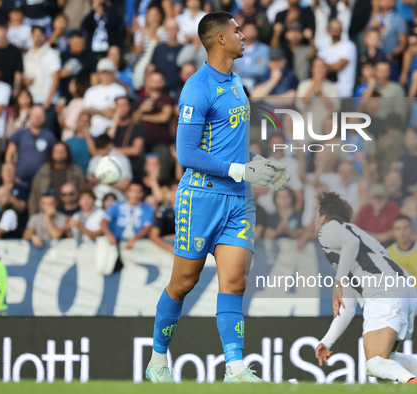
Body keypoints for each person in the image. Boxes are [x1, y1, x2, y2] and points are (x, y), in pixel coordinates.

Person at [146, 12, 290, 384]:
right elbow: (187, 154)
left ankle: (235, 367)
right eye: (237, 31)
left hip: (237, 200)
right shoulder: (196, 88)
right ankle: (158, 360)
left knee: (235, 281)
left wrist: (264, 166)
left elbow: (233, 147)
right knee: (183, 282)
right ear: (220, 40)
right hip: (201, 199)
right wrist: (241, 171)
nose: (244, 36)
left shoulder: (238, 82)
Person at [314, 192, 417, 384]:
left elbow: (351, 243)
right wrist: (327, 341)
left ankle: (413, 382)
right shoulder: (361, 237)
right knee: (386, 358)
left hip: (383, 294)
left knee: (374, 363)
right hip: (406, 292)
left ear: (323, 217)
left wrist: (337, 283)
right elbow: (347, 308)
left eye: (316, 215)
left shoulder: (328, 229)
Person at [387, 215, 417, 316]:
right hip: (396, 314)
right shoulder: (387, 253)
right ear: (393, 232)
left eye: (405, 228)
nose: (402, 232)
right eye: (398, 229)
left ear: (412, 229)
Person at [28, 141, 85, 215]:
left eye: (62, 151)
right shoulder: (43, 171)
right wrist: (33, 216)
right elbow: (34, 195)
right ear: (51, 153)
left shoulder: (76, 171)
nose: (59, 153)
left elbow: (83, 192)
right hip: (46, 214)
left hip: (71, 214)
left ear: (67, 153)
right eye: (56, 151)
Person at [83, 58, 128, 137]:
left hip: (113, 132)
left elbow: (113, 113)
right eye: (103, 73)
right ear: (98, 74)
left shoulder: (120, 90)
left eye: (108, 72)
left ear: (113, 73)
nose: (106, 75)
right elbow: (86, 112)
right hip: (93, 132)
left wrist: (94, 110)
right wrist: (104, 111)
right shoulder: (90, 91)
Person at [101, 182, 153, 248]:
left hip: (137, 243)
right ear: (127, 192)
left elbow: (147, 227)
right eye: (133, 191)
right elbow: (103, 222)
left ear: (142, 194)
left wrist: (135, 239)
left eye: (138, 192)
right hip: (116, 242)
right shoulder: (116, 205)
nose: (135, 195)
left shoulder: (147, 208)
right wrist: (109, 235)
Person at [133, 71, 174, 153]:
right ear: (148, 82)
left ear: (163, 82)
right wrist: (141, 110)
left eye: (159, 80)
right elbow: (134, 119)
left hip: (161, 143)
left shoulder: (167, 99)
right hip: (143, 142)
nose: (156, 82)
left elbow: (164, 118)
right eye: (153, 80)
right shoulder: (141, 100)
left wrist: (144, 117)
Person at [107, 96, 146, 182]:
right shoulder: (110, 128)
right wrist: (115, 123)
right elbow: (105, 144)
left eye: (124, 105)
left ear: (129, 107)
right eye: (119, 106)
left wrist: (113, 151)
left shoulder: (137, 127)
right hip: (113, 169)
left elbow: (136, 150)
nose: (121, 109)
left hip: (131, 170)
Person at [23, 26, 61, 111]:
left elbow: (55, 78)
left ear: (44, 36)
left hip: (46, 101)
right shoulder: (28, 55)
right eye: (35, 35)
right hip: (31, 101)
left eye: (40, 35)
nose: (37, 38)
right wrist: (26, 81)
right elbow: (26, 77)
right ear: (31, 37)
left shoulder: (51, 54)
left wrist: (48, 101)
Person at [316, 19, 357, 97]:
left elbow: (337, 66)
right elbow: (316, 69)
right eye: (333, 28)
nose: (335, 31)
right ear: (328, 30)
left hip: (344, 93)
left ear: (342, 30)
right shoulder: (322, 50)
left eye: (338, 29)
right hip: (325, 93)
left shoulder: (348, 46)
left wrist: (322, 67)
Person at [150, 182, 177, 254]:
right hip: (166, 248)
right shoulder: (163, 212)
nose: (177, 193)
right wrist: (170, 249)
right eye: (174, 190)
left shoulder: (191, 212)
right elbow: (154, 236)